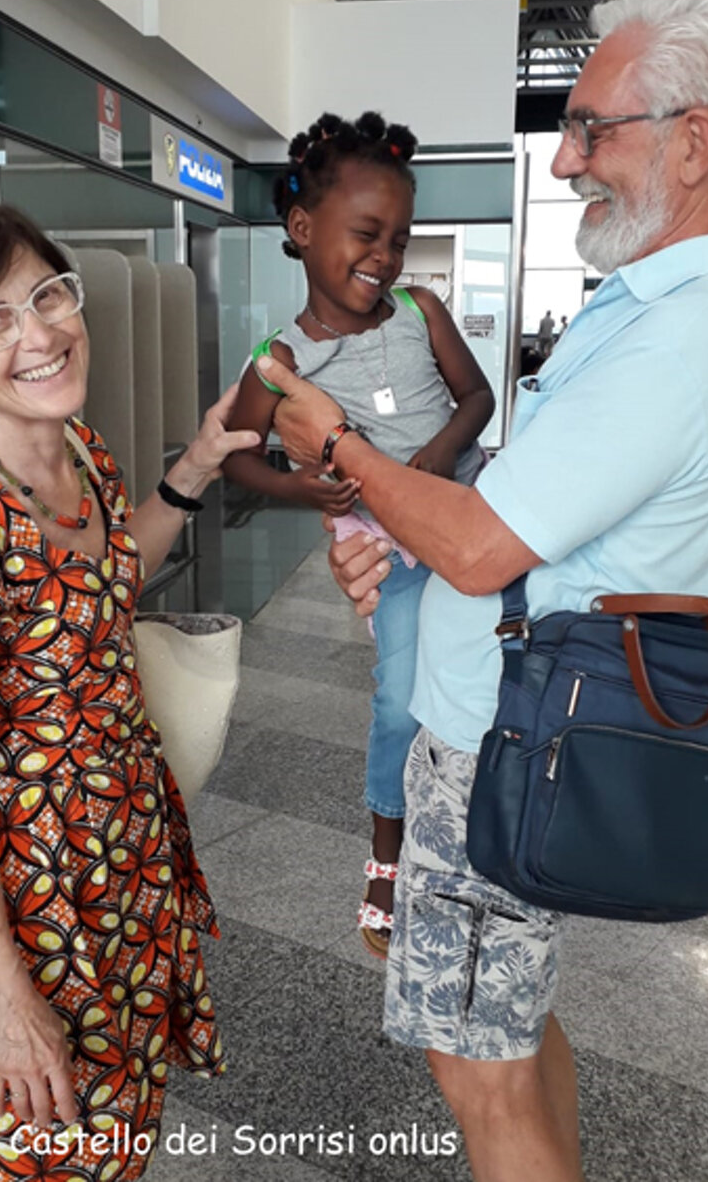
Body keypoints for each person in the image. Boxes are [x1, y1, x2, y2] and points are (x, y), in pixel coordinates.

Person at [257, 0, 708, 1182]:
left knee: (477, 1070)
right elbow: (537, 502)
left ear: (693, 141)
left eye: (591, 127)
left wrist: (335, 445)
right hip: (508, 727)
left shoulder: (683, 335)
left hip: (505, 738)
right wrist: (402, 526)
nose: (563, 161)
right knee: (512, 1028)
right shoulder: (653, 308)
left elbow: (487, 548)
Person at [0, 199, 259, 1180]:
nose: (40, 333)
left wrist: (198, 466)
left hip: (119, 873)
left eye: (46, 294)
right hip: (20, 910)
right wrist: (5, 998)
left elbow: (102, 587)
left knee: (112, 1145)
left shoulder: (79, 457)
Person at [222, 111, 494, 956]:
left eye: (399, 240)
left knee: (495, 666)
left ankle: (488, 823)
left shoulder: (422, 309)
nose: (385, 258)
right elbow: (236, 459)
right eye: (366, 234)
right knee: (396, 693)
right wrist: (307, 487)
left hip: (471, 511)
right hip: (393, 550)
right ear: (303, 231)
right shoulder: (278, 361)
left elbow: (478, 396)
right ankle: (386, 854)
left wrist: (436, 457)